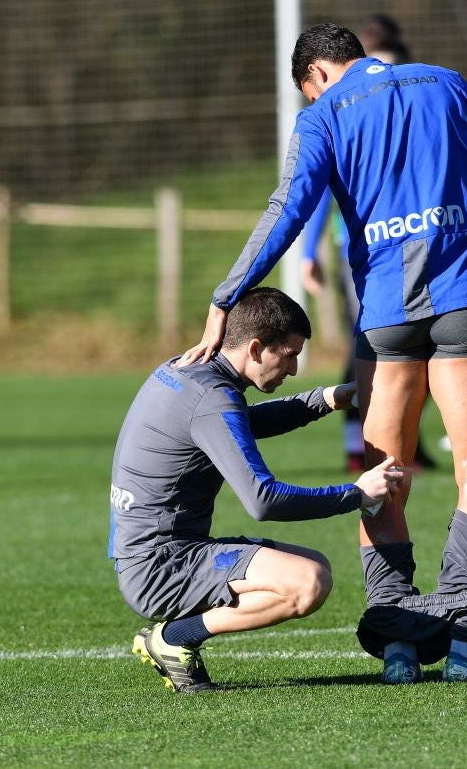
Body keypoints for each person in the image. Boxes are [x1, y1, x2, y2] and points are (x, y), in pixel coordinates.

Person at [179, 23, 467, 684]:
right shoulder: (449, 85)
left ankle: (397, 641)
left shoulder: (321, 116)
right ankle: (465, 644)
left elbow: (289, 209)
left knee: (381, 476)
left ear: (314, 75)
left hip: (387, 318)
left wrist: (229, 295)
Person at [112, 287, 402, 693]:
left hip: (150, 555)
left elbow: (233, 423)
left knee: (310, 561)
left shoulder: (186, 370)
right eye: (289, 354)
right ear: (255, 348)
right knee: (308, 582)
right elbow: (262, 500)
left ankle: (173, 636)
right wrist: (356, 493)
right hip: (161, 567)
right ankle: (173, 638)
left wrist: (324, 400)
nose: (295, 369)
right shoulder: (213, 398)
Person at [300, 14, 436, 474]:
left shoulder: (414, 93)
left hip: (419, 238)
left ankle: (405, 443)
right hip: (363, 249)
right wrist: (307, 252)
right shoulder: (333, 114)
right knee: (372, 343)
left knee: (427, 346)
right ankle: (360, 447)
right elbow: (315, 186)